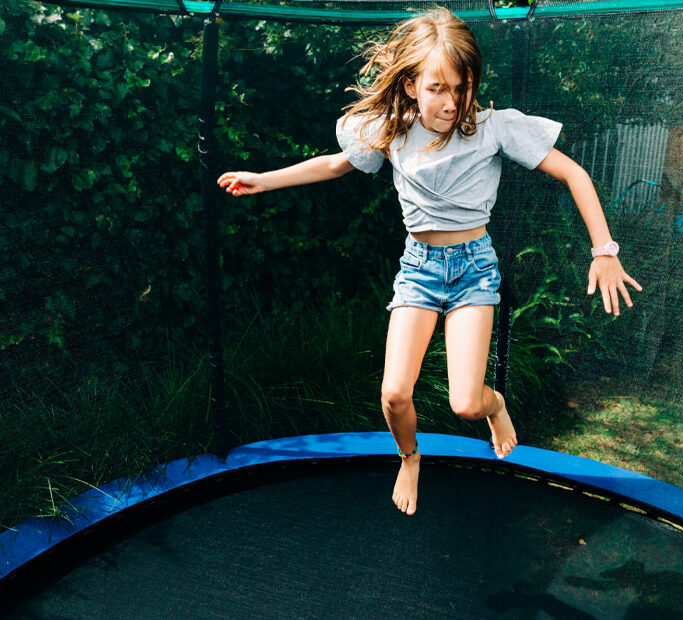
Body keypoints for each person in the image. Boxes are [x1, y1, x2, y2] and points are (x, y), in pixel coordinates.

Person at [217, 8, 642, 516]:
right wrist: (264, 178)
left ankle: (496, 405)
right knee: (394, 395)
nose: (451, 101)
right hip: (418, 268)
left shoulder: (493, 128)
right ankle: (410, 456)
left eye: (460, 87)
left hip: (473, 269)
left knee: (466, 403)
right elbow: (335, 164)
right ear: (411, 83)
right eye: (437, 88)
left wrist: (604, 251)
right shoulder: (390, 130)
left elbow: (573, 173)